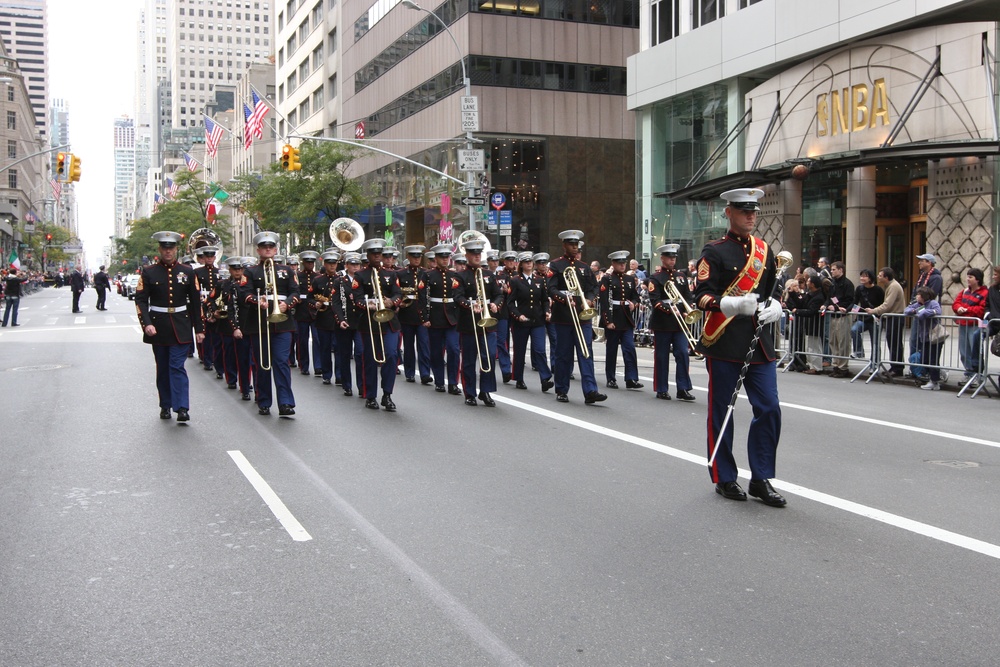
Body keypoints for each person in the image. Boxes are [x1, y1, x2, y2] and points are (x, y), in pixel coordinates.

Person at [695, 188, 785, 507]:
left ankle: (761, 478)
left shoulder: (765, 250)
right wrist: (730, 304)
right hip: (724, 342)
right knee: (722, 411)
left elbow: (774, 289)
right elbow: (702, 296)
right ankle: (724, 476)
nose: (750, 216)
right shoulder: (714, 251)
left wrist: (777, 306)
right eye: (743, 210)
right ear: (728, 213)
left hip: (758, 343)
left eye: (754, 211)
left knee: (769, 408)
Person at [133, 231, 205, 421]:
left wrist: (199, 329)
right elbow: (141, 301)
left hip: (181, 325)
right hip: (158, 327)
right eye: (164, 248)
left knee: (177, 366)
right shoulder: (149, 272)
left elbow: (196, 303)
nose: (168, 251)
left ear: (176, 249)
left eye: (171, 248)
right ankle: (165, 404)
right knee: (163, 368)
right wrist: (146, 324)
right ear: (159, 249)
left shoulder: (188, 272)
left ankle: (182, 407)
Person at [239, 231, 299, 416]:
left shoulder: (287, 270)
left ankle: (286, 403)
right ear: (258, 250)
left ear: (275, 249)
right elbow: (244, 293)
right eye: (264, 247)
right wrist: (258, 302)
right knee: (262, 363)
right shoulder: (250, 271)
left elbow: (295, 292)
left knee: (281, 362)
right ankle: (264, 400)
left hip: (283, 323)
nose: (268, 249)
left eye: (271, 247)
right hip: (260, 323)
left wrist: (286, 304)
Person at [547, 230, 606, 405]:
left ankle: (590, 391)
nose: (575, 247)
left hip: (582, 315)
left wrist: (588, 299)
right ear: (564, 245)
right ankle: (562, 389)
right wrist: (564, 299)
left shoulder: (584, 267)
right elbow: (551, 288)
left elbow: (593, 287)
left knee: (586, 352)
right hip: (564, 316)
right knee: (563, 354)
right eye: (571, 244)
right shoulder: (555, 265)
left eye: (576, 244)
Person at [352, 238, 403, 411]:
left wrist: (392, 303)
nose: (376, 256)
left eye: (379, 253)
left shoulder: (391, 274)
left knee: (391, 355)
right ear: (367, 255)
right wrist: (368, 305)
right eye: (373, 254)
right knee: (371, 359)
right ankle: (371, 395)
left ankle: (387, 394)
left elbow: (398, 294)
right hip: (369, 322)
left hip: (389, 321)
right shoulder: (360, 275)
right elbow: (357, 299)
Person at [456, 238, 503, 406]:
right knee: (469, 359)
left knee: (489, 356)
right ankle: (469, 392)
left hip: (488, 322)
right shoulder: (460, 276)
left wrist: (495, 304)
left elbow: (498, 294)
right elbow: (458, 297)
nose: (477, 256)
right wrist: (470, 304)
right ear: (467, 255)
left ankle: (486, 391)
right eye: (473, 253)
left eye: (478, 253)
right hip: (469, 323)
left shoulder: (489, 275)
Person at [646, 243, 695, 400]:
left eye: (674, 257)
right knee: (662, 356)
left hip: (679, 321)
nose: (672, 260)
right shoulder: (656, 278)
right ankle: (661, 388)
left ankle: (683, 388)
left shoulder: (681, 276)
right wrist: (669, 309)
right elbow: (655, 301)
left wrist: (689, 306)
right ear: (662, 258)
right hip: (663, 322)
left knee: (682, 353)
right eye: (669, 257)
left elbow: (687, 295)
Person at [507, 251, 554, 391]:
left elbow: (545, 300)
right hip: (521, 321)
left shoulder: (540, 280)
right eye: (526, 261)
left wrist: (547, 310)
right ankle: (519, 378)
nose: (529, 263)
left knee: (539, 349)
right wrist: (518, 315)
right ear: (521, 264)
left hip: (537, 320)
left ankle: (545, 378)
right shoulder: (515, 280)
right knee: (520, 351)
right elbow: (510, 303)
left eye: (530, 261)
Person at [422, 244, 464, 395]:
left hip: (452, 317)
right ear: (437, 258)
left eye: (447, 257)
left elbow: (459, 295)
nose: (445, 260)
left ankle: (453, 382)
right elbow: (422, 297)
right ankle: (439, 381)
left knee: (453, 349)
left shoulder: (454, 276)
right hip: (435, 317)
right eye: (442, 257)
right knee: (436, 351)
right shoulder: (428, 275)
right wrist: (424, 317)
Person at [599, 250, 643, 391]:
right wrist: (608, 321)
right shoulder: (607, 279)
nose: (622, 265)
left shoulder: (630, 279)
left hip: (626, 317)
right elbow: (605, 302)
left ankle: (631, 378)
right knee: (612, 350)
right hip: (613, 317)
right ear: (613, 263)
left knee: (629, 348)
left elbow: (636, 297)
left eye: (624, 263)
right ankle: (611, 378)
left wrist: (634, 304)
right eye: (619, 263)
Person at [397, 245, 431, 385]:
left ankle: (425, 373)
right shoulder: (401, 273)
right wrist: (399, 302)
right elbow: (397, 291)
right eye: (414, 257)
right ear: (409, 258)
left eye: (419, 257)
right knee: (409, 346)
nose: (417, 259)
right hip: (407, 314)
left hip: (422, 313)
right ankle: (410, 372)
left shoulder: (426, 273)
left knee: (424, 345)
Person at [331, 252, 364, 397]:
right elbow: (336, 302)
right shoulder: (339, 281)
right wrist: (340, 320)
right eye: (352, 264)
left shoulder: (363, 280)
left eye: (357, 264)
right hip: (345, 321)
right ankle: (347, 385)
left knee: (360, 353)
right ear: (346, 266)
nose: (355, 267)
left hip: (360, 322)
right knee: (344, 354)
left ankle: (362, 386)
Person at [309, 250, 342, 385]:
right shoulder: (318, 280)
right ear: (325, 264)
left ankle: (339, 375)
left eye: (334, 263)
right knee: (325, 348)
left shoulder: (341, 280)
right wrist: (315, 304)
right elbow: (309, 297)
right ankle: (326, 374)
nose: (332, 266)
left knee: (339, 348)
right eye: (329, 263)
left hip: (337, 318)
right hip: (323, 318)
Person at [215, 256, 246, 392]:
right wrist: (215, 311)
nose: (237, 272)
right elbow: (211, 300)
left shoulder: (248, 284)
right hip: (227, 324)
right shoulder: (223, 284)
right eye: (234, 269)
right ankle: (232, 379)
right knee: (229, 353)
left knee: (245, 356)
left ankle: (245, 381)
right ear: (230, 270)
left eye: (240, 269)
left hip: (245, 324)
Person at [952, 267, 988, 383]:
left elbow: (981, 309)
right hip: (963, 324)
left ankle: (977, 374)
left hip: (975, 325)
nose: (967, 279)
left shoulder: (984, 293)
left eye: (970, 277)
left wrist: (966, 309)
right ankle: (968, 373)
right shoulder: (964, 291)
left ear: (977, 279)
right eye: (967, 276)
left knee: (975, 350)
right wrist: (959, 308)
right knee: (964, 351)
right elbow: (955, 303)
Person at [904, 286, 944, 390]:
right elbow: (907, 310)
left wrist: (924, 312)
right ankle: (934, 377)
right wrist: (914, 311)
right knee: (924, 359)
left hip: (935, 336)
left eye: (919, 295)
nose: (917, 296)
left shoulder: (933, 303)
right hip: (924, 337)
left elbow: (937, 311)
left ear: (924, 296)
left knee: (933, 359)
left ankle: (935, 381)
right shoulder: (918, 305)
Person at [193, 245, 223, 376]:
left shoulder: (219, 271)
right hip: (203, 305)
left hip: (215, 305)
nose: (209, 259)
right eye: (207, 257)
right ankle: (207, 360)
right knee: (205, 334)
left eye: (212, 257)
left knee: (217, 336)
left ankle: (217, 362)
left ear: (215, 258)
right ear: (204, 258)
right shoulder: (198, 272)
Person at [909, 252, 943, 366]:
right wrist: (913, 305)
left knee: (927, 343)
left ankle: (926, 367)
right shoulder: (921, 276)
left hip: (928, 315)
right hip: (919, 311)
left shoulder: (936, 278)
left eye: (922, 260)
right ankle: (915, 366)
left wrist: (920, 308)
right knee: (914, 341)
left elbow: (930, 296)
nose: (919, 263)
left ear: (929, 263)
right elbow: (916, 292)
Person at [824, 261, 855, 377]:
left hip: (843, 316)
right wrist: (826, 305)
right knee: (833, 341)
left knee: (843, 342)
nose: (831, 271)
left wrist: (839, 307)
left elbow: (850, 300)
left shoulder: (847, 284)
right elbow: (829, 298)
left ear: (841, 270)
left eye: (834, 269)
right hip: (834, 315)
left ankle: (843, 367)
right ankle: (836, 365)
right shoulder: (833, 284)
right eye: (831, 269)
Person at [294, 250, 322, 376]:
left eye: (312, 262)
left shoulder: (318, 277)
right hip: (302, 311)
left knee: (317, 339)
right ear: (303, 263)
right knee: (302, 340)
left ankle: (318, 366)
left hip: (315, 312)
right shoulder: (297, 276)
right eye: (307, 262)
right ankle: (303, 365)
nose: (310, 264)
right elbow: (294, 291)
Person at [793, 275, 826, 374]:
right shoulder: (810, 294)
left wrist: (798, 311)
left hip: (815, 325)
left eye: (808, 281)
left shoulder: (819, 297)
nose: (806, 283)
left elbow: (811, 311)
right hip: (809, 325)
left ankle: (817, 367)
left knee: (815, 347)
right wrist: (793, 294)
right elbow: (801, 303)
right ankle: (812, 365)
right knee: (810, 347)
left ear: (813, 284)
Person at [851, 269, 884, 359]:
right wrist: (854, 311)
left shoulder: (878, 290)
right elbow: (855, 303)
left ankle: (874, 364)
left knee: (875, 343)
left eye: (865, 276)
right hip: (863, 318)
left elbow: (883, 305)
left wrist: (879, 315)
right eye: (861, 276)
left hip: (875, 319)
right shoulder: (859, 289)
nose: (862, 278)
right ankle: (859, 352)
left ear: (870, 278)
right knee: (854, 330)